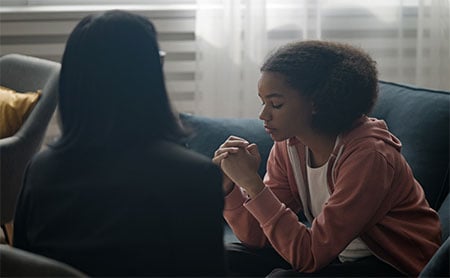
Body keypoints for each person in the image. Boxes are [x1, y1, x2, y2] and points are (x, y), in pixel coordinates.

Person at [13, 10, 226, 277]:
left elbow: (22, 265)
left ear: (72, 82)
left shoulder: (40, 170)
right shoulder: (194, 176)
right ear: (149, 78)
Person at [213, 40, 441, 277]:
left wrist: (253, 185)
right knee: (227, 258)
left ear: (316, 103)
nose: (263, 114)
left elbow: (310, 257)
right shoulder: (289, 146)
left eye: (276, 104)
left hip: (392, 263)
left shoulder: (369, 156)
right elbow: (257, 237)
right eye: (263, 102)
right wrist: (229, 187)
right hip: (335, 255)